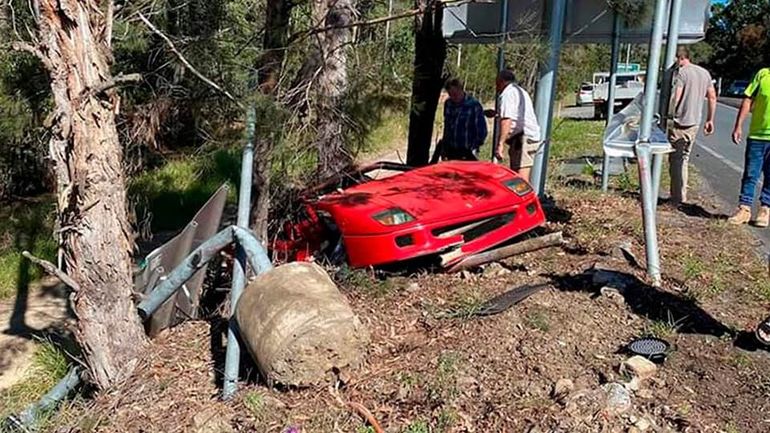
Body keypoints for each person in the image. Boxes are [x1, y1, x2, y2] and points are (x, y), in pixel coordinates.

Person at [668, 46, 717, 207]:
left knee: (676, 160)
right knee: (685, 158)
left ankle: (677, 198)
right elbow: (712, 97)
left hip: (680, 122)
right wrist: (710, 119)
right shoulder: (705, 73)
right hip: (695, 122)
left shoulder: (682, 73)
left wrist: (668, 115)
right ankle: (681, 194)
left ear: (679, 58)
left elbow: (677, 96)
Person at [729, 67, 770, 226]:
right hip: (757, 135)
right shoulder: (763, 74)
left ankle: (765, 209)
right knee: (751, 174)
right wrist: (738, 125)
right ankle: (744, 209)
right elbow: (747, 99)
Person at [493, 69, 541, 182]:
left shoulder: (507, 94)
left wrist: (500, 144)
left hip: (524, 139)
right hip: (522, 138)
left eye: (496, 83)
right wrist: (497, 113)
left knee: (521, 179)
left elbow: (507, 120)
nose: (496, 87)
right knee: (515, 175)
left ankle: (525, 199)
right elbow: (515, 114)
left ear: (502, 81)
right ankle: (520, 198)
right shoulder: (518, 91)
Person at [431, 78, 487, 163]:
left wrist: (474, 146)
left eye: (455, 94)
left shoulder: (474, 105)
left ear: (461, 90)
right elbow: (447, 126)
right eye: (450, 94)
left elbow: (481, 130)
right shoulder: (448, 104)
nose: (453, 97)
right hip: (451, 150)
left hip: (467, 150)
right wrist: (444, 147)